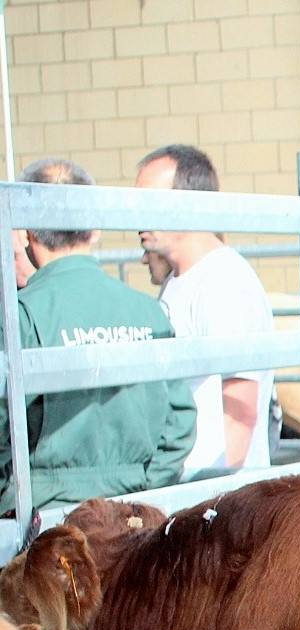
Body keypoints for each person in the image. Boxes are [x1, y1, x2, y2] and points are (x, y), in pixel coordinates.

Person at [1, 158, 195, 515]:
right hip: (132, 512)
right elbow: (180, 417)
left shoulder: (20, 316)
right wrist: (148, 489)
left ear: (26, 233)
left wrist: (12, 495)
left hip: (45, 515)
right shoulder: (148, 312)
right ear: (94, 230)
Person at [133, 144, 277, 473]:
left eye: (149, 202)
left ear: (189, 203)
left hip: (212, 497)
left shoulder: (224, 281)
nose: (136, 216)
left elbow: (240, 407)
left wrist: (219, 496)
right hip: (187, 488)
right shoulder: (179, 280)